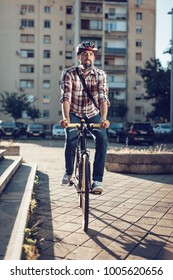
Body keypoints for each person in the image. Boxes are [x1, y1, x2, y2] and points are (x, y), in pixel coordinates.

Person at [59, 41, 110, 193]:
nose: (88, 57)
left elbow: (103, 97)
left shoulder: (101, 74)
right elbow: (66, 97)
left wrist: (103, 119)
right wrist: (66, 118)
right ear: (78, 57)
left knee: (103, 139)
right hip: (74, 113)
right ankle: (69, 172)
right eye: (85, 54)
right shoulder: (69, 73)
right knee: (71, 141)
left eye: (91, 54)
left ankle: (97, 180)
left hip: (92, 113)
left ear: (94, 58)